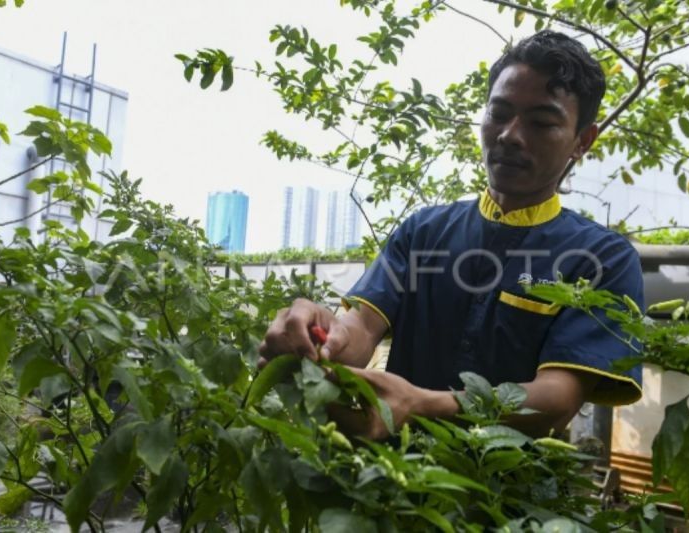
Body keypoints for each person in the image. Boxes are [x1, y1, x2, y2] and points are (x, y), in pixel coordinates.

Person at [259, 30, 644, 439]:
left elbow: (556, 398)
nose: (510, 135)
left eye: (542, 122)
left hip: (508, 496)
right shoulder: (423, 231)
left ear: (582, 141)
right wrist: (322, 338)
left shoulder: (601, 258)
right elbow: (361, 328)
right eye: (499, 112)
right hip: (387, 486)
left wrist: (422, 405)